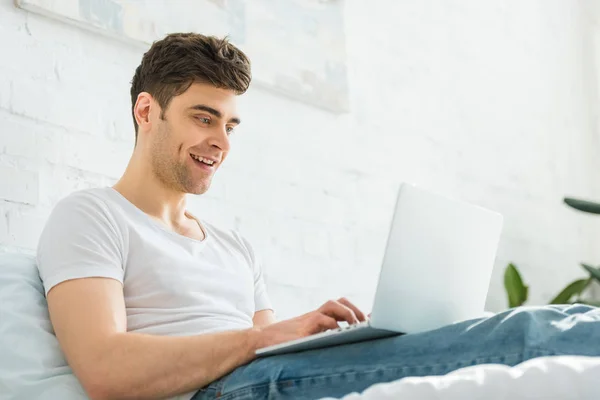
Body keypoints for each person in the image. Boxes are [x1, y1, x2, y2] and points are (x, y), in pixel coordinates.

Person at [36, 33, 600, 400]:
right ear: (146, 112)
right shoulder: (91, 216)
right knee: (527, 335)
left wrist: (309, 336)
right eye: (203, 118)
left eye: (230, 126)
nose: (220, 142)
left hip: (260, 376)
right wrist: (263, 338)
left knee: (497, 327)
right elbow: (105, 369)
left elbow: (264, 346)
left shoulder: (234, 245)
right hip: (222, 392)